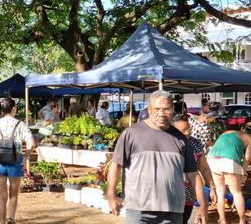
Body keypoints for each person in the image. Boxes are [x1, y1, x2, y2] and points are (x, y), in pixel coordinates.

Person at [107, 90, 205, 224]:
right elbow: (116, 165)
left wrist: (203, 205)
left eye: (166, 109)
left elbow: (193, 174)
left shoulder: (181, 139)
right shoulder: (131, 134)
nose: (161, 113)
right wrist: (111, 195)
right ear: (149, 109)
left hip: (172, 211)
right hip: (138, 210)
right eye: (157, 109)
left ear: (173, 110)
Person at [0, 98, 35, 224]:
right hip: (15, 162)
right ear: (13, 109)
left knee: (2, 197)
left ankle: (2, 222)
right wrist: (26, 155)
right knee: (14, 195)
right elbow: (31, 143)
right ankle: (11, 218)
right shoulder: (20, 124)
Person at [207, 121, 251, 224]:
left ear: (242, 128)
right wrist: (242, 174)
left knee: (220, 191)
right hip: (229, 160)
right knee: (237, 192)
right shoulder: (249, 138)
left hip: (212, 158)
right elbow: (247, 158)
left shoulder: (225, 133)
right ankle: (242, 220)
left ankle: (222, 219)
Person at [172, 116, 208, 224]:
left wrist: (212, 186)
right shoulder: (169, 143)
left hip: (189, 192)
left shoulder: (195, 143)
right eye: (183, 130)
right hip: (172, 193)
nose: (187, 132)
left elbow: (203, 167)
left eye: (188, 128)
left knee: (184, 220)